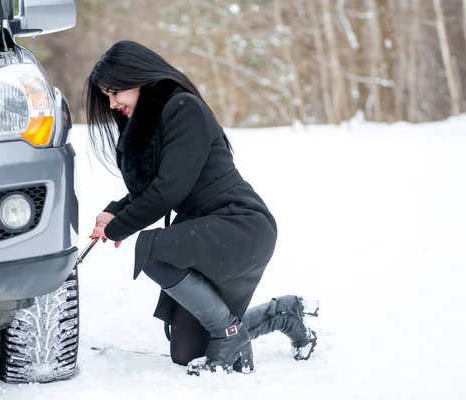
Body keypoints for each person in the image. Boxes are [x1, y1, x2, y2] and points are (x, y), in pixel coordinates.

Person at [84, 40, 319, 376]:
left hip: (239, 224)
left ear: (137, 76)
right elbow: (154, 187)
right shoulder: (152, 119)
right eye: (106, 95)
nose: (112, 103)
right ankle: (283, 313)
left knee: (152, 249)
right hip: (204, 228)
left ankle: (227, 332)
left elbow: (169, 190)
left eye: (115, 91)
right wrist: (115, 212)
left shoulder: (183, 108)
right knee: (187, 353)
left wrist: (120, 226)